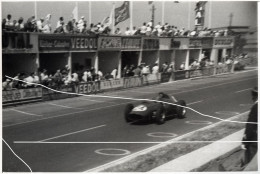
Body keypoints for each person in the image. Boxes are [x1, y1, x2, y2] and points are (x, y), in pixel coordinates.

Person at [241, 87, 258, 168]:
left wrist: (245, 141)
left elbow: (250, 127)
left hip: (255, 142)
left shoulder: (255, 108)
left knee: (250, 163)